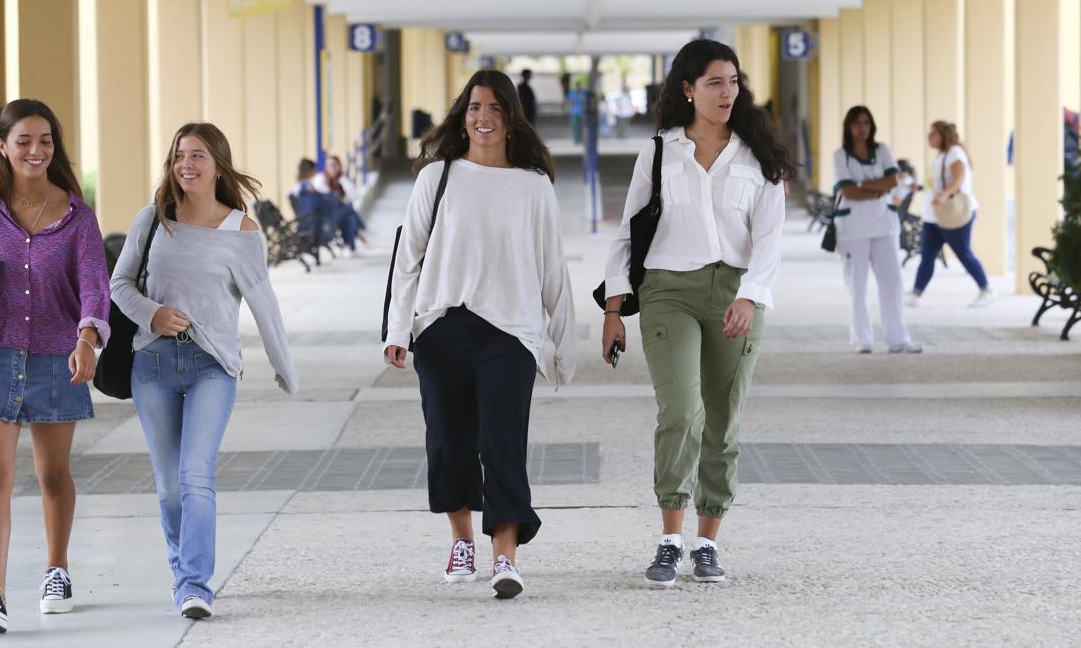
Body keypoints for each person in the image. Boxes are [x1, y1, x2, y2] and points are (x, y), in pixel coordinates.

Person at [601, 39, 793, 587]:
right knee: (682, 411)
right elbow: (628, 233)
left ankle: (708, 541)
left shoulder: (759, 158)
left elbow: (771, 237)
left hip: (736, 292)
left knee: (724, 417)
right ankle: (669, 536)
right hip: (668, 292)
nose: (726, 92)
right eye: (714, 82)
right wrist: (615, 309)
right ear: (688, 90)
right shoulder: (660, 152)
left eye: (733, 81)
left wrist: (750, 295)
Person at [383, 69, 577, 600]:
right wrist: (399, 328)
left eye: (494, 108)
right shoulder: (436, 177)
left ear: (512, 118)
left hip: (510, 334)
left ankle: (505, 558)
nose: (483, 117)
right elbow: (409, 260)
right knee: (448, 442)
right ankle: (462, 540)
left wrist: (564, 341)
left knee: (502, 443)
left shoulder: (534, 185)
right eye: (474, 108)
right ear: (462, 115)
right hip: (442, 328)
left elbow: (552, 267)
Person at [110, 122, 298, 619]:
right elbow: (119, 284)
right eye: (178, 156)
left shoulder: (242, 231)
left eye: (197, 156)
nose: (186, 165)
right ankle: (181, 571)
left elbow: (264, 305)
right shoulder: (152, 220)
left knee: (196, 477)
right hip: (151, 364)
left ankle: (194, 584)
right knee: (170, 485)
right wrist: (152, 313)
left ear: (218, 163)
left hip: (211, 366)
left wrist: (285, 369)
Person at [0, 99, 111, 633]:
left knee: (52, 474)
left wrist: (88, 339)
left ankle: (56, 570)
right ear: (3, 146)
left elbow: (94, 287)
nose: (36, 151)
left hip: (56, 357)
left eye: (45, 141)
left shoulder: (77, 216)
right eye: (24, 141)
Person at [832, 106, 921, 354]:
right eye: (857, 123)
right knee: (857, 285)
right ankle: (862, 339)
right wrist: (875, 188)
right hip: (853, 229)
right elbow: (847, 191)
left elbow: (892, 181)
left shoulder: (882, 151)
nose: (862, 128)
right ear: (848, 127)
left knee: (892, 282)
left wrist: (862, 185)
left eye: (866, 123)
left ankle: (898, 339)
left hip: (884, 225)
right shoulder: (840, 156)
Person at [907, 121, 994, 308]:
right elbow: (937, 183)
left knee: (963, 252)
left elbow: (958, 177)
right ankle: (916, 292)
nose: (929, 137)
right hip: (935, 216)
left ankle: (986, 289)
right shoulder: (941, 156)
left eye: (933, 134)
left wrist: (945, 194)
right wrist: (920, 187)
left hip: (954, 214)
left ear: (943, 135)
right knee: (927, 254)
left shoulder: (954, 153)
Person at [319, 155, 367, 252]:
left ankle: (349, 247)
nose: (332, 168)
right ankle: (361, 229)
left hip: (338, 214)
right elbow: (328, 201)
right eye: (329, 165)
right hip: (326, 216)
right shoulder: (321, 180)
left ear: (340, 166)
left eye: (335, 165)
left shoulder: (341, 179)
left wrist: (342, 180)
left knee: (350, 218)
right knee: (349, 209)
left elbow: (353, 196)